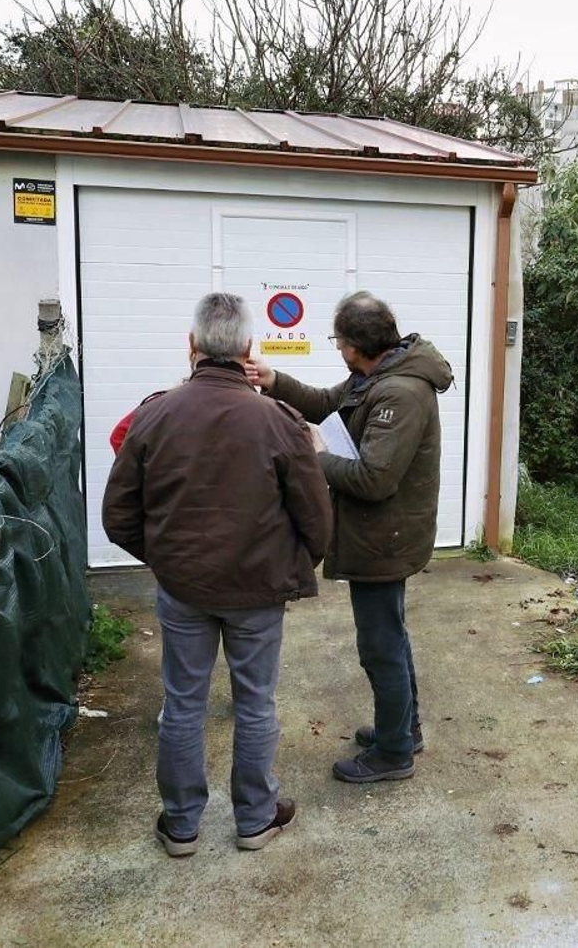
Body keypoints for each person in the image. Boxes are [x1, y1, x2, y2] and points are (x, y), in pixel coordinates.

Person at [103, 292, 334, 857]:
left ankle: (181, 825)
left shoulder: (153, 414)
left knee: (183, 702)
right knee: (256, 703)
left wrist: (164, 558)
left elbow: (118, 517)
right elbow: (316, 516)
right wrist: (294, 564)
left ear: (192, 347)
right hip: (257, 591)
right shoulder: (279, 420)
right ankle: (255, 820)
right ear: (248, 350)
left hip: (182, 590)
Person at [247, 291, 452, 784]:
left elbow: (374, 480)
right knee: (391, 638)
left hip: (385, 538)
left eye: (339, 339)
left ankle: (393, 753)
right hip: (381, 534)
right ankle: (403, 729)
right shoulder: (374, 376)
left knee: (380, 645)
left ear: (357, 345)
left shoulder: (400, 394)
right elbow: (325, 404)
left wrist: (313, 454)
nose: (337, 347)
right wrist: (275, 381)